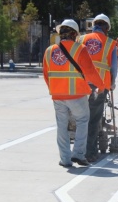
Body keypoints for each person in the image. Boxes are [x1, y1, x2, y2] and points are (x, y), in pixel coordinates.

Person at [43, 19, 105, 168]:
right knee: (83, 121)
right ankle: (78, 154)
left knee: (62, 126)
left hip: (58, 96)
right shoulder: (80, 49)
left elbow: (46, 75)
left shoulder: (49, 51)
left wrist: (55, 89)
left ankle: (65, 159)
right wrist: (101, 85)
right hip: (77, 94)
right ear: (74, 34)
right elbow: (90, 72)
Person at [78, 13, 118, 163]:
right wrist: (112, 82)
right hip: (100, 86)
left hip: (80, 84)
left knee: (81, 117)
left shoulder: (81, 39)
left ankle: (78, 150)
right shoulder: (110, 43)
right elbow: (114, 67)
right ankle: (90, 152)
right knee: (94, 120)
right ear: (106, 28)